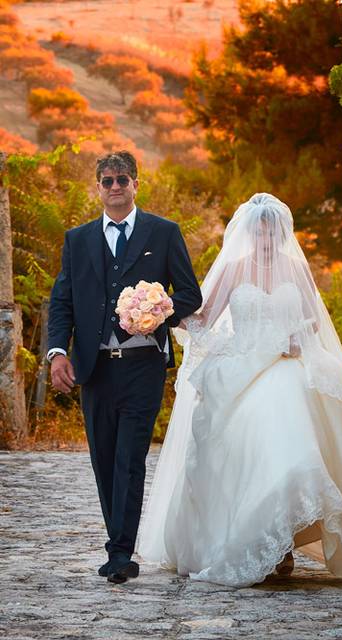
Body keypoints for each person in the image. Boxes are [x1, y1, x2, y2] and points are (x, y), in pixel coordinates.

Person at [137, 193, 342, 587]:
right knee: (249, 450)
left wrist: (297, 335)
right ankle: (258, 540)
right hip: (242, 369)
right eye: (260, 229)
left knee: (295, 448)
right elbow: (205, 317)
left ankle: (283, 543)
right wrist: (160, 310)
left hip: (289, 365)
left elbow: (313, 318)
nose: (266, 236)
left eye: (272, 229)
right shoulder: (235, 269)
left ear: (282, 232)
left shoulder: (296, 268)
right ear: (249, 231)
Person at [46, 150, 202, 584]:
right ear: (97, 187)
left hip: (142, 366)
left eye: (122, 180)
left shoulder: (164, 233)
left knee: (131, 458)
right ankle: (118, 542)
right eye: (108, 181)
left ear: (136, 184)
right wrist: (57, 352)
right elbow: (62, 303)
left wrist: (158, 313)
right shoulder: (77, 240)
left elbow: (190, 294)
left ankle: (120, 554)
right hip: (94, 368)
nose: (115, 187)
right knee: (104, 459)